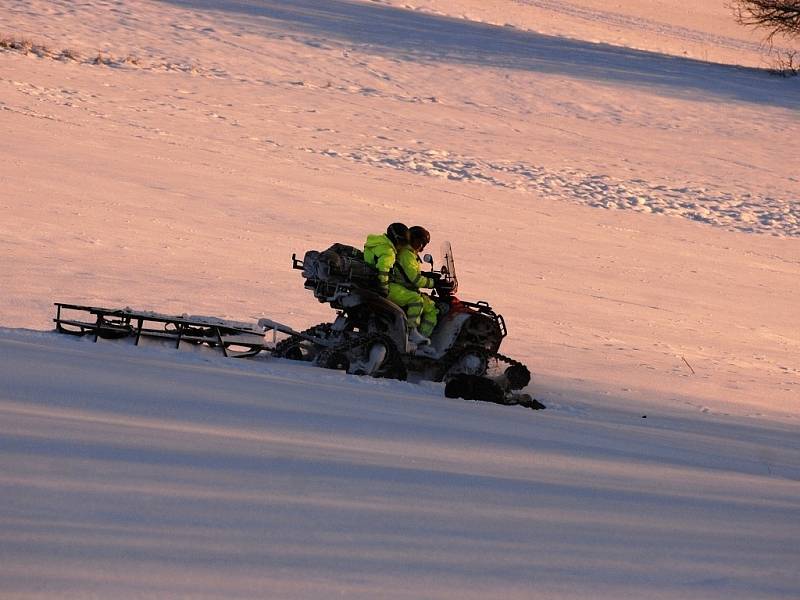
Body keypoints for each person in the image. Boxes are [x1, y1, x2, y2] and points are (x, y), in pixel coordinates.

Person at [363, 222, 428, 346]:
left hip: (369, 282)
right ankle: (411, 332)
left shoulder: (376, 243)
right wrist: (383, 288)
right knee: (416, 299)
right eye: (402, 243)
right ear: (396, 239)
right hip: (378, 285)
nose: (402, 247)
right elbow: (383, 269)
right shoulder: (388, 251)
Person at [393, 225, 438, 340]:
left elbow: (410, 272)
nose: (421, 247)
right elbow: (415, 279)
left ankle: (422, 338)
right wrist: (433, 283)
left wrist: (427, 275)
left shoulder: (410, 254)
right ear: (412, 239)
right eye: (420, 242)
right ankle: (411, 334)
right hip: (400, 287)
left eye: (424, 244)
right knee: (418, 302)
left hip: (404, 287)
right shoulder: (407, 254)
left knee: (431, 308)